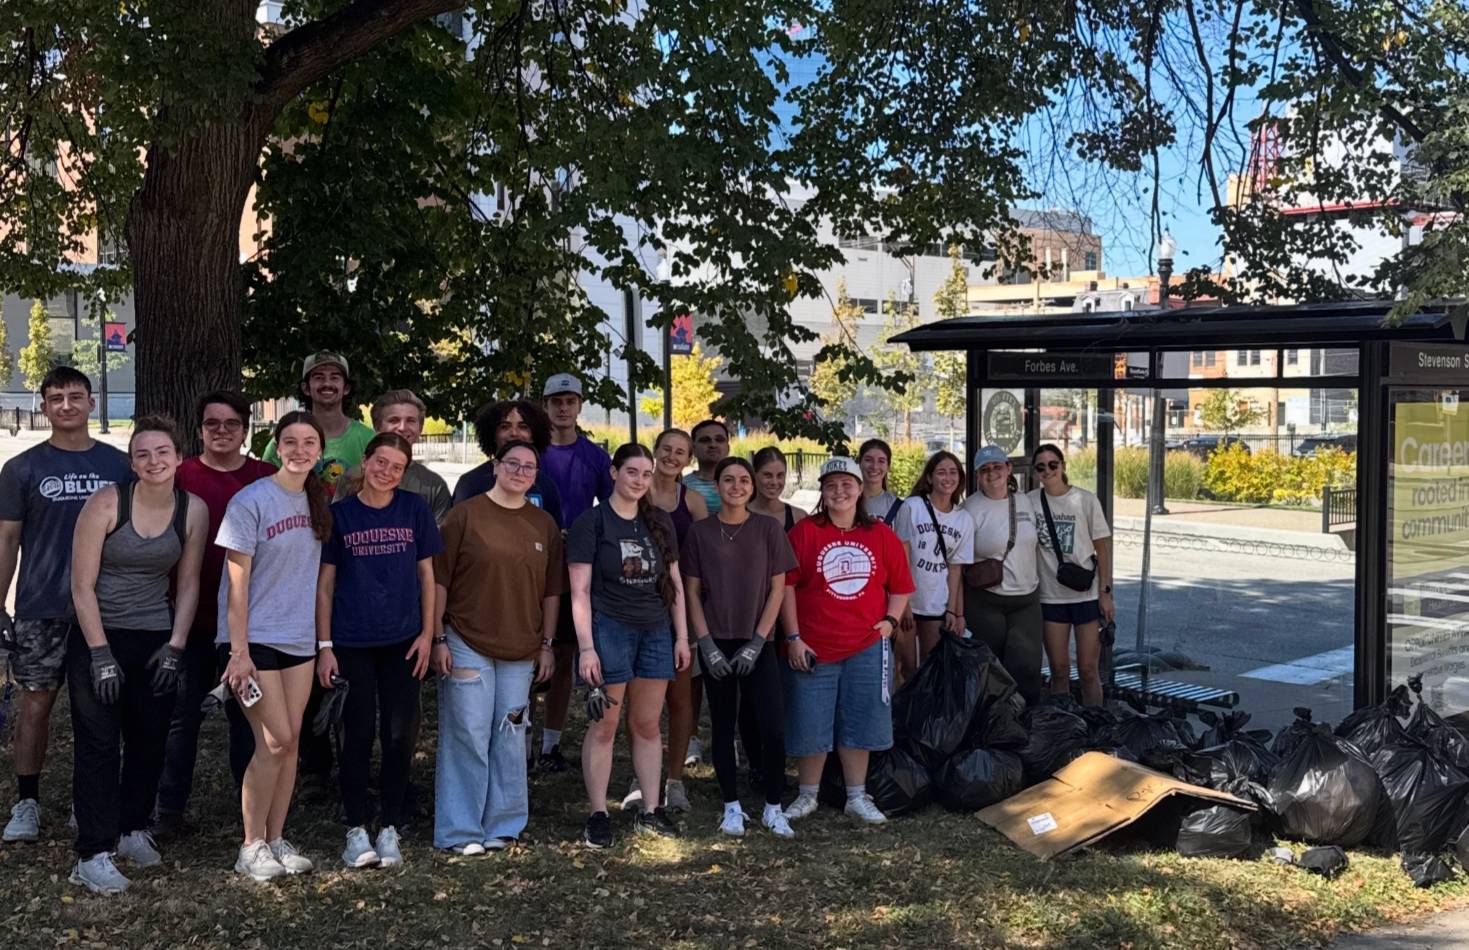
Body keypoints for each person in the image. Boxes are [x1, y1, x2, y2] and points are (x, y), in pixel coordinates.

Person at [65, 416, 208, 894]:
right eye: (143, 454)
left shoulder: (192, 509)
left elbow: (188, 583)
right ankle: (93, 851)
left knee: (149, 739)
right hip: (98, 634)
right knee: (100, 744)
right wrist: (99, 652)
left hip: (155, 636)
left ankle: (131, 830)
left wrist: (176, 646)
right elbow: (81, 585)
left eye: (162, 452)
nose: (154, 461)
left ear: (178, 458)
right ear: (132, 462)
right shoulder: (107, 502)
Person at [0, 367, 131, 843]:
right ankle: (26, 802)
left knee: (99, 710)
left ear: (92, 403)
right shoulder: (22, 469)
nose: (66, 405)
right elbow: (8, 540)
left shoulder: (120, 467)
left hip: (106, 609)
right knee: (35, 705)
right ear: (44, 407)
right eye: (56, 398)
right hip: (43, 607)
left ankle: (88, 800)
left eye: (76, 396)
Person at [316, 432, 442, 868]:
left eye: (397, 466)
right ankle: (356, 829)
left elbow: (427, 577)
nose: (386, 472)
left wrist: (428, 635)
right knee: (356, 735)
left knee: (399, 734)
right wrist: (325, 645)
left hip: (404, 641)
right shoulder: (340, 515)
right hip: (351, 641)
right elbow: (326, 585)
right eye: (380, 462)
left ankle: (389, 825)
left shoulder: (414, 509)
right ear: (365, 461)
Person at [432, 439, 563, 854]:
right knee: (467, 732)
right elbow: (438, 580)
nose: (521, 472)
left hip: (522, 647)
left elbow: (552, 592)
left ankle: (504, 825)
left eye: (529, 467)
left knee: (510, 733)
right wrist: (436, 636)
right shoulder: (464, 516)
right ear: (495, 466)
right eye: (513, 464)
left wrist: (547, 644)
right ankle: (460, 830)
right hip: (466, 638)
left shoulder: (542, 524)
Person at [154, 392, 276, 835]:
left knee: (247, 716)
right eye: (212, 423)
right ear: (200, 429)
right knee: (181, 715)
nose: (221, 430)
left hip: (248, 624)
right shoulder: (178, 475)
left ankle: (248, 810)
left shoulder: (267, 477)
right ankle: (169, 808)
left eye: (231, 423)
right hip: (186, 617)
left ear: (246, 430)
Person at [217, 412, 332, 881]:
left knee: (291, 743)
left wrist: (322, 643)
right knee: (275, 739)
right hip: (253, 642)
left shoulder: (318, 500)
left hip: (299, 639)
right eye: (290, 441)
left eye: (309, 442)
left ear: (320, 451)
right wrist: (238, 652)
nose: (300, 450)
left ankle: (277, 837)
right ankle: (251, 845)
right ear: (276, 448)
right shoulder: (251, 501)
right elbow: (236, 584)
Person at [568, 444, 691, 848]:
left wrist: (682, 636)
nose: (639, 481)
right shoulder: (592, 523)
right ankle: (598, 813)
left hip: (655, 631)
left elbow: (674, 584)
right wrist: (587, 647)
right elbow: (580, 591)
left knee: (646, 724)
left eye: (645, 474)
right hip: (610, 630)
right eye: (631, 472)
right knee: (605, 725)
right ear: (614, 472)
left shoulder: (659, 523)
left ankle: (651, 810)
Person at [780, 457, 914, 825]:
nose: (840, 491)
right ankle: (808, 794)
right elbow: (786, 587)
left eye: (847, 484)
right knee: (811, 719)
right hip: (814, 646)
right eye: (831, 485)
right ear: (822, 491)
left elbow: (901, 586)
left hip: (866, 645)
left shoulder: (880, 534)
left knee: (861, 719)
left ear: (860, 489)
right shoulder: (806, 532)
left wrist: (889, 621)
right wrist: (793, 636)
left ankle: (857, 795)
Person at [681, 457, 797, 838]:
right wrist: (705, 644)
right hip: (717, 640)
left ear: (752, 486)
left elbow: (778, 589)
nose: (737, 486)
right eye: (728, 480)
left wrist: (759, 641)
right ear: (716, 486)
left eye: (744, 480)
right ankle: (731, 806)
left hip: (757, 641)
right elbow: (692, 592)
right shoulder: (700, 533)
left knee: (772, 726)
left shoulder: (768, 529)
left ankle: (773, 806)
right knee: (723, 725)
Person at [536, 374, 612, 774]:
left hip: (575, 567)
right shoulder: (532, 451)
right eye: (555, 401)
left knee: (564, 655)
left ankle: (550, 744)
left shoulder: (595, 457)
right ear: (545, 405)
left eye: (570, 401)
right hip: (529, 564)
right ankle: (518, 734)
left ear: (580, 405)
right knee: (523, 651)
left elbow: (611, 507)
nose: (563, 408)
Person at [641, 428, 706, 813]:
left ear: (688, 459)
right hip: (638, 606)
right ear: (655, 451)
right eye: (666, 449)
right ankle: (640, 773)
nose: (672, 456)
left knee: (681, 700)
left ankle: (675, 778)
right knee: (641, 703)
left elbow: (700, 558)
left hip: (678, 607)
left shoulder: (693, 501)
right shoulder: (638, 488)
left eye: (680, 452)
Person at [1030, 444, 1114, 707]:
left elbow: (1102, 549)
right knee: (1059, 669)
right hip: (1050, 596)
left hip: (1085, 595)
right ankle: (1062, 727)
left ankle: (1096, 724)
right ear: (1035, 473)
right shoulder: (1030, 501)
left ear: (1063, 466)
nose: (1048, 471)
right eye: (1041, 467)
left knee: (1088, 669)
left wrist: (1106, 592)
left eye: (1053, 464)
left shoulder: (1085, 500)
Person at [962, 445, 1044, 705]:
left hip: (1026, 598)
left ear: (1009, 469)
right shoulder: (970, 509)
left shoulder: (1026, 501)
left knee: (1027, 667)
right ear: (977, 476)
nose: (992, 473)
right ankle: (993, 727)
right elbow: (957, 560)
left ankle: (1025, 724)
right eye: (985, 470)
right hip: (986, 600)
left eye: (997, 467)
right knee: (991, 668)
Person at [892, 451, 973, 679]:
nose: (947, 478)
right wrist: (904, 603)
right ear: (929, 478)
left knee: (932, 670)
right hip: (909, 601)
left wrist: (956, 612)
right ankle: (902, 714)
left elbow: (956, 569)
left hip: (937, 603)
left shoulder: (963, 519)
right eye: (941, 472)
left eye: (953, 472)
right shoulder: (912, 507)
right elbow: (901, 556)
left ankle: (926, 715)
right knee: (905, 668)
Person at [261, 351, 375, 497]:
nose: (327, 383)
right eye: (319, 377)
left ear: (346, 388)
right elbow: (266, 491)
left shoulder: (368, 439)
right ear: (306, 388)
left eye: (334, 377)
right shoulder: (285, 440)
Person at [338, 390, 452, 522]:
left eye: (411, 421)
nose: (402, 427)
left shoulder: (434, 485)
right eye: (394, 420)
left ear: (420, 429)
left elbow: (439, 539)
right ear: (377, 427)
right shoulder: (351, 476)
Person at [450, 399, 564, 527]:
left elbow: (555, 537)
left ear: (533, 435)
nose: (514, 433)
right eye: (505, 426)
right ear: (493, 434)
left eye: (523, 427)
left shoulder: (546, 486)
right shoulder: (470, 483)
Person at [749, 446, 807, 531]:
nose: (774, 482)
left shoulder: (799, 517)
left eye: (780, 475)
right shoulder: (738, 515)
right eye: (768, 475)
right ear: (754, 475)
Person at [683, 419, 730, 516]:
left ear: (728, 448)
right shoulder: (682, 486)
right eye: (705, 440)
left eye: (719, 440)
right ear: (694, 449)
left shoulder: (742, 486)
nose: (713, 445)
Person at [858, 439, 900, 525]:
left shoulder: (899, 506)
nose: (874, 466)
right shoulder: (846, 502)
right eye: (868, 460)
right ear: (860, 462)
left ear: (888, 466)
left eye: (881, 461)